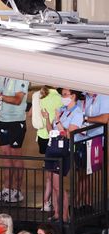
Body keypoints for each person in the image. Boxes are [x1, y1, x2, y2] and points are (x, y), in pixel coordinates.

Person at [0, 76, 30, 203]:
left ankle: (18, 191)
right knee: (6, 156)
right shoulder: (1, 77)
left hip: (16, 121)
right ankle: (7, 189)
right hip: (1, 120)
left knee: (16, 156)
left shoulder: (21, 77)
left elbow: (18, 100)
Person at [43, 88, 84, 222]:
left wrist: (58, 121)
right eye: (62, 94)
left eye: (65, 94)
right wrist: (48, 118)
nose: (63, 97)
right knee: (54, 185)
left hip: (64, 150)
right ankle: (56, 213)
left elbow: (67, 134)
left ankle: (65, 216)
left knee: (58, 185)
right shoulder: (62, 110)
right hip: (53, 148)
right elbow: (51, 131)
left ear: (73, 96)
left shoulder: (77, 113)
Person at [31, 86, 63, 212]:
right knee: (54, 174)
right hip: (54, 138)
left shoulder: (39, 95)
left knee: (49, 173)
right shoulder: (59, 98)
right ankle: (51, 204)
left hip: (41, 137)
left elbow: (30, 114)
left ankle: (46, 202)